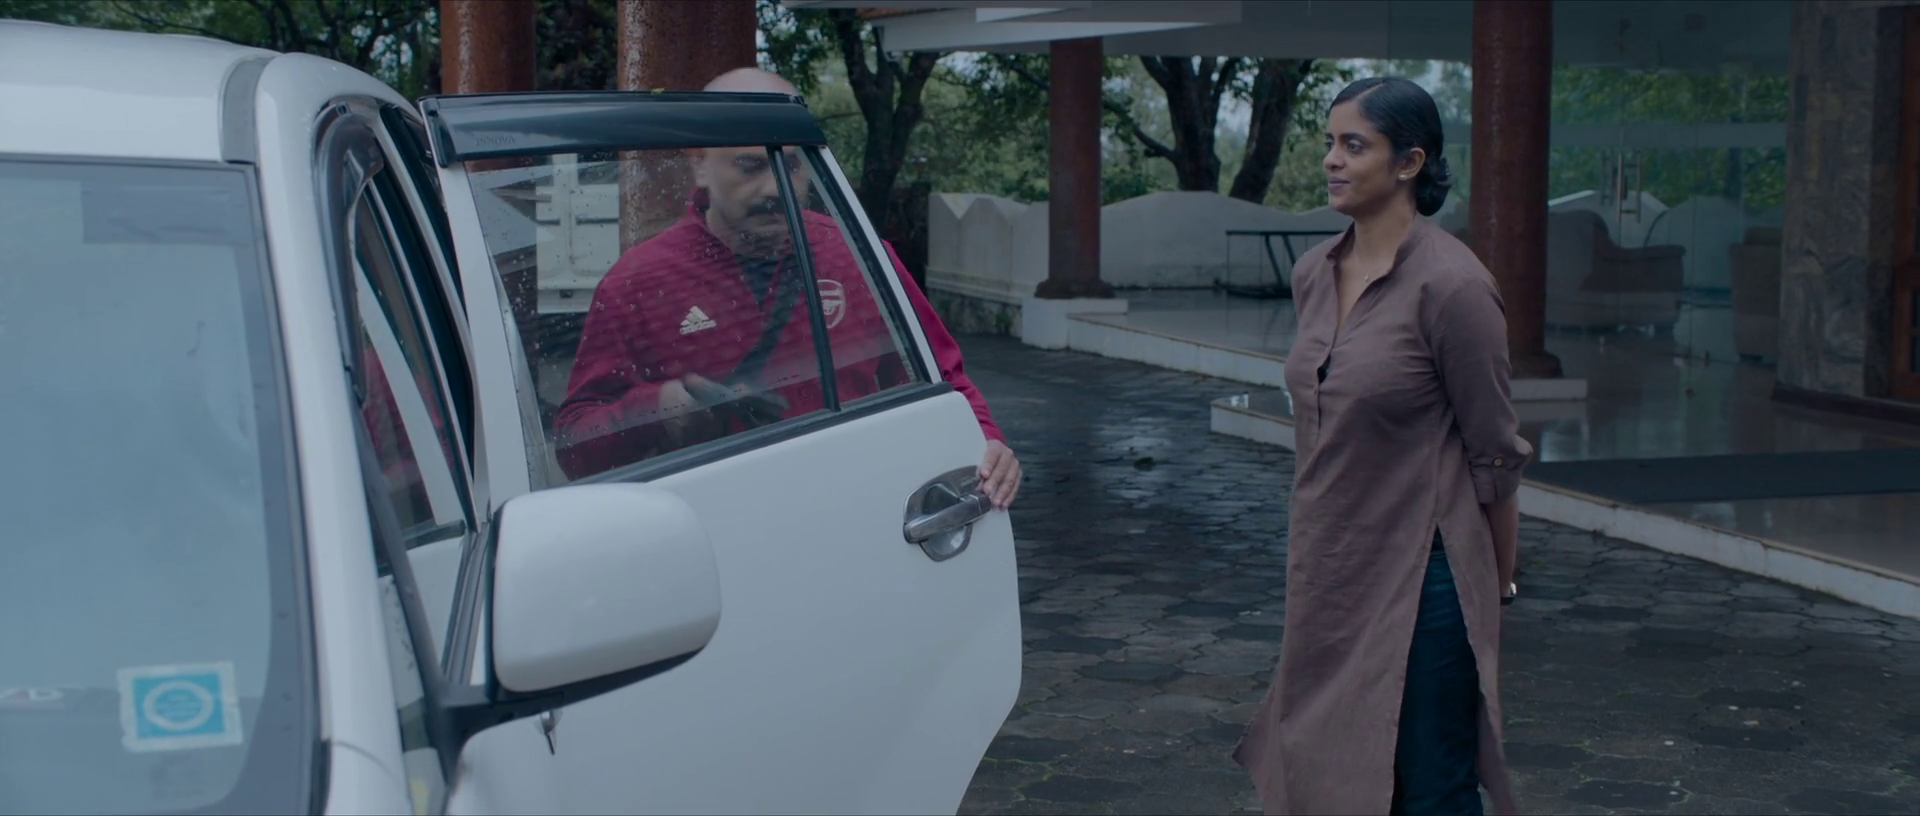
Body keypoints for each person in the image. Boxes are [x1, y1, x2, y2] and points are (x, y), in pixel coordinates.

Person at [1232, 77, 1530, 816]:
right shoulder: (1314, 274)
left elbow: (1496, 454)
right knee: (1326, 763)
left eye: (1354, 145)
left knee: (1428, 784)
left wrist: (1497, 586)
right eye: (1330, 142)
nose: (1331, 160)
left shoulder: (1454, 287)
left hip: (1424, 574)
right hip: (1329, 565)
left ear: (1409, 162)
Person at [552, 67, 1021, 508]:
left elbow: (943, 378)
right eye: (750, 166)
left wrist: (986, 441)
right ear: (699, 165)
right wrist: (656, 411)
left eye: (791, 165)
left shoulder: (858, 255)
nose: (776, 187)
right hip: (711, 528)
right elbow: (575, 446)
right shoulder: (638, 282)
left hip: (855, 510)